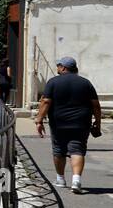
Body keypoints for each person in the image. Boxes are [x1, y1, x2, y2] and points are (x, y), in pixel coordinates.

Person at [35, 56, 102, 194]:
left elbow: (46, 102)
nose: (57, 68)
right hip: (81, 122)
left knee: (59, 149)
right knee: (77, 149)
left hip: (58, 122)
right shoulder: (86, 83)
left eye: (58, 66)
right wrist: (98, 122)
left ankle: (60, 179)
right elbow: (95, 104)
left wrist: (39, 120)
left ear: (64, 68)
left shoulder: (53, 82)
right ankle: (76, 180)